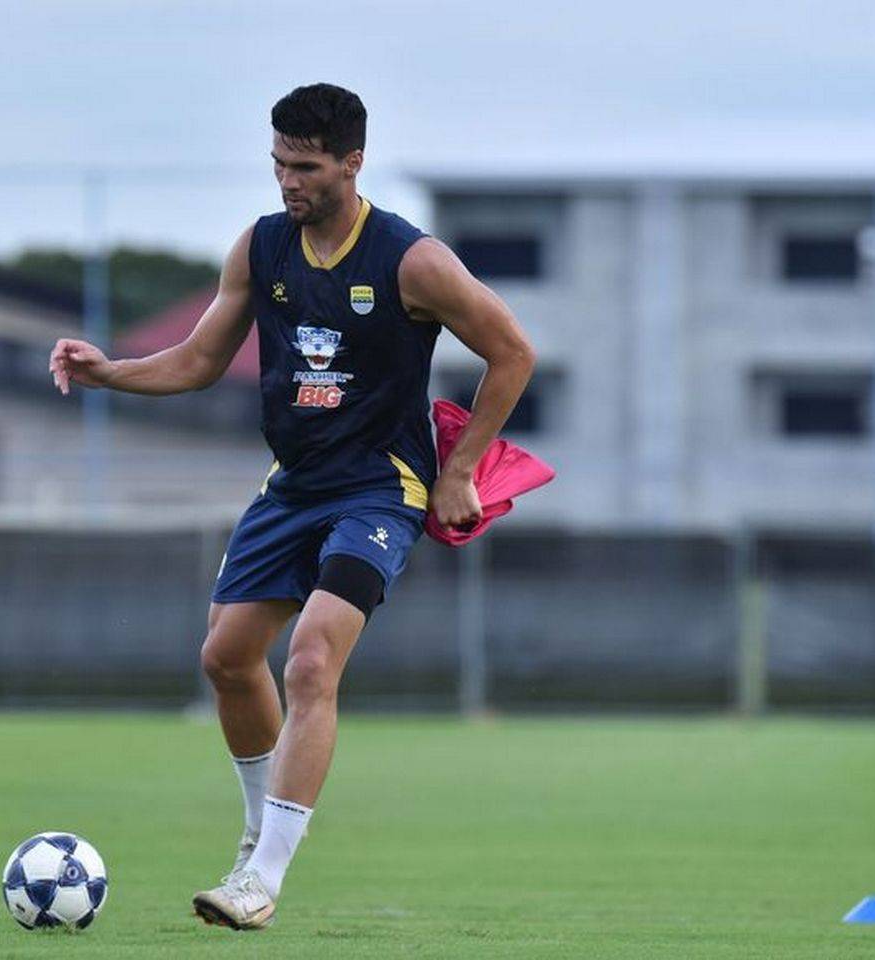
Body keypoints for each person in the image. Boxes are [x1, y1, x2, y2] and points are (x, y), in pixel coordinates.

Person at [49, 82, 536, 930]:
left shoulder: (411, 260)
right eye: (277, 164)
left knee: (311, 661)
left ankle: (261, 881)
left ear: (353, 162)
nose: (288, 182)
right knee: (227, 659)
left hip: (380, 488)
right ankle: (255, 833)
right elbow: (201, 359)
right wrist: (109, 372)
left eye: (305, 167)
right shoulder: (262, 248)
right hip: (294, 487)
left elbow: (513, 352)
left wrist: (457, 471)